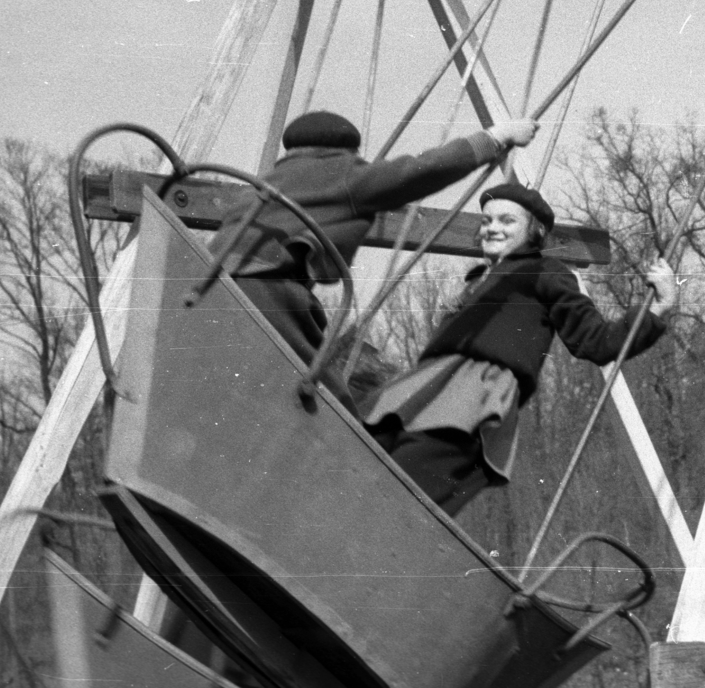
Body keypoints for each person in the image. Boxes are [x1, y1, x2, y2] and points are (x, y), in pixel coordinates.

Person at [360, 182, 678, 515]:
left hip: (472, 397)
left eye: (507, 221)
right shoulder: (478, 280)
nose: (493, 228)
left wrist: (657, 309)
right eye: (487, 221)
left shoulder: (547, 273)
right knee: (365, 451)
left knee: (408, 482)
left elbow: (597, 341)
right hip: (426, 388)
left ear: (535, 231)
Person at [210, 109, 538, 402]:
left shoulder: (258, 186)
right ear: (346, 151)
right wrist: (497, 137)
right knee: (326, 400)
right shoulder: (345, 175)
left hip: (211, 286)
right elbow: (422, 170)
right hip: (269, 295)